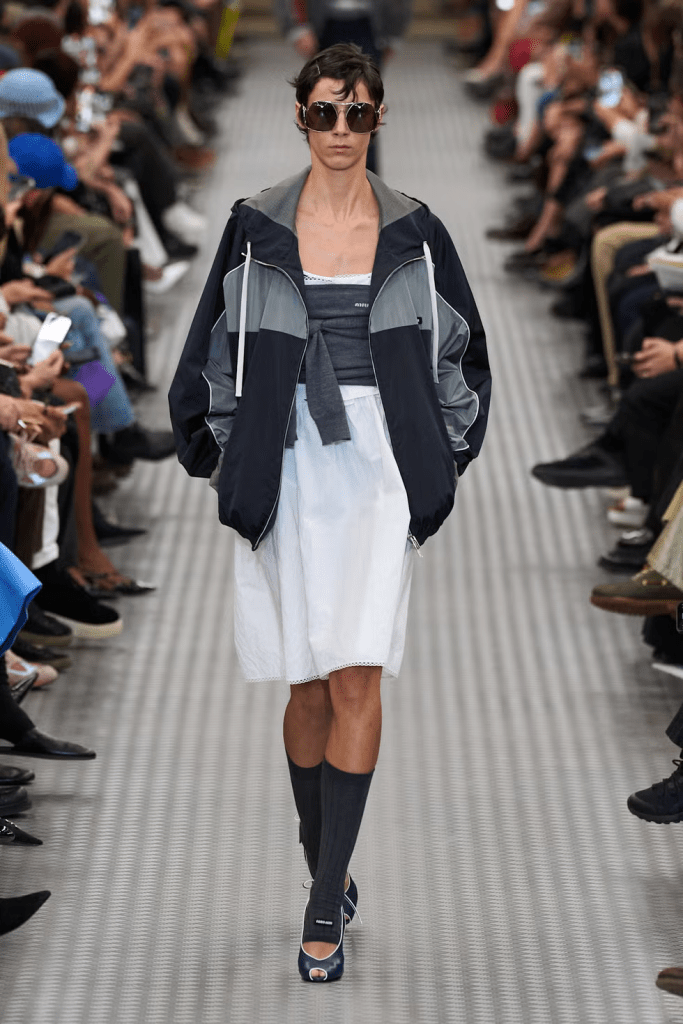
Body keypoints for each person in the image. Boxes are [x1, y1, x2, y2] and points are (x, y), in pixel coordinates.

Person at [169, 43, 491, 983]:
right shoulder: (256, 225)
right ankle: (327, 858)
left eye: (355, 114)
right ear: (300, 119)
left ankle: (322, 904)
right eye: (323, 113)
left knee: (356, 675)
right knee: (306, 682)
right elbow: (209, 353)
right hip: (288, 463)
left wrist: (439, 455)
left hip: (381, 472)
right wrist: (230, 450)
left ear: (379, 119)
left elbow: (461, 358)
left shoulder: (416, 233)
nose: (340, 130)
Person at [273, 0, 413, 173]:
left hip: (368, 25)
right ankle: (327, 179)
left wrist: (394, 33)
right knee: (324, 108)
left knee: (363, 107)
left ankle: (366, 182)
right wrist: (296, 27)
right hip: (324, 24)